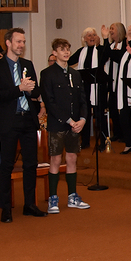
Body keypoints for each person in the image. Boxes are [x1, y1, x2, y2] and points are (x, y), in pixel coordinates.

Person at [0, 28, 47, 223]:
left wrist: (30, 91)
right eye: (18, 41)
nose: (21, 45)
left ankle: (29, 204)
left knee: (31, 163)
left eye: (23, 42)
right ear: (8, 43)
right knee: (7, 164)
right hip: (9, 120)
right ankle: (5, 208)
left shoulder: (27, 64)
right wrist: (19, 88)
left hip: (28, 119)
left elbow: (36, 91)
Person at [41, 38, 91, 214]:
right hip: (57, 124)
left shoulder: (75, 74)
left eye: (68, 49)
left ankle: (72, 196)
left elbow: (83, 100)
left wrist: (82, 119)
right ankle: (53, 198)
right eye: (62, 49)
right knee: (55, 160)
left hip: (75, 125)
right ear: (54, 52)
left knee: (72, 159)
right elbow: (50, 102)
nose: (66, 52)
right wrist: (69, 120)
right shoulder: (47, 74)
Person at [102, 22, 131, 154]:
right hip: (124, 90)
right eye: (127, 40)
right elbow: (108, 54)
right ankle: (128, 143)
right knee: (124, 117)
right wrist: (105, 39)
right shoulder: (124, 54)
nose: (128, 42)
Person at [70, 27, 108, 150]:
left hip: (99, 87)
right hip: (85, 88)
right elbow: (69, 61)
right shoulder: (81, 51)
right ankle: (85, 141)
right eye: (89, 35)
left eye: (94, 35)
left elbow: (107, 54)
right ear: (84, 39)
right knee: (84, 114)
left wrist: (105, 39)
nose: (92, 37)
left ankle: (103, 142)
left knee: (99, 115)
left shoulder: (100, 50)